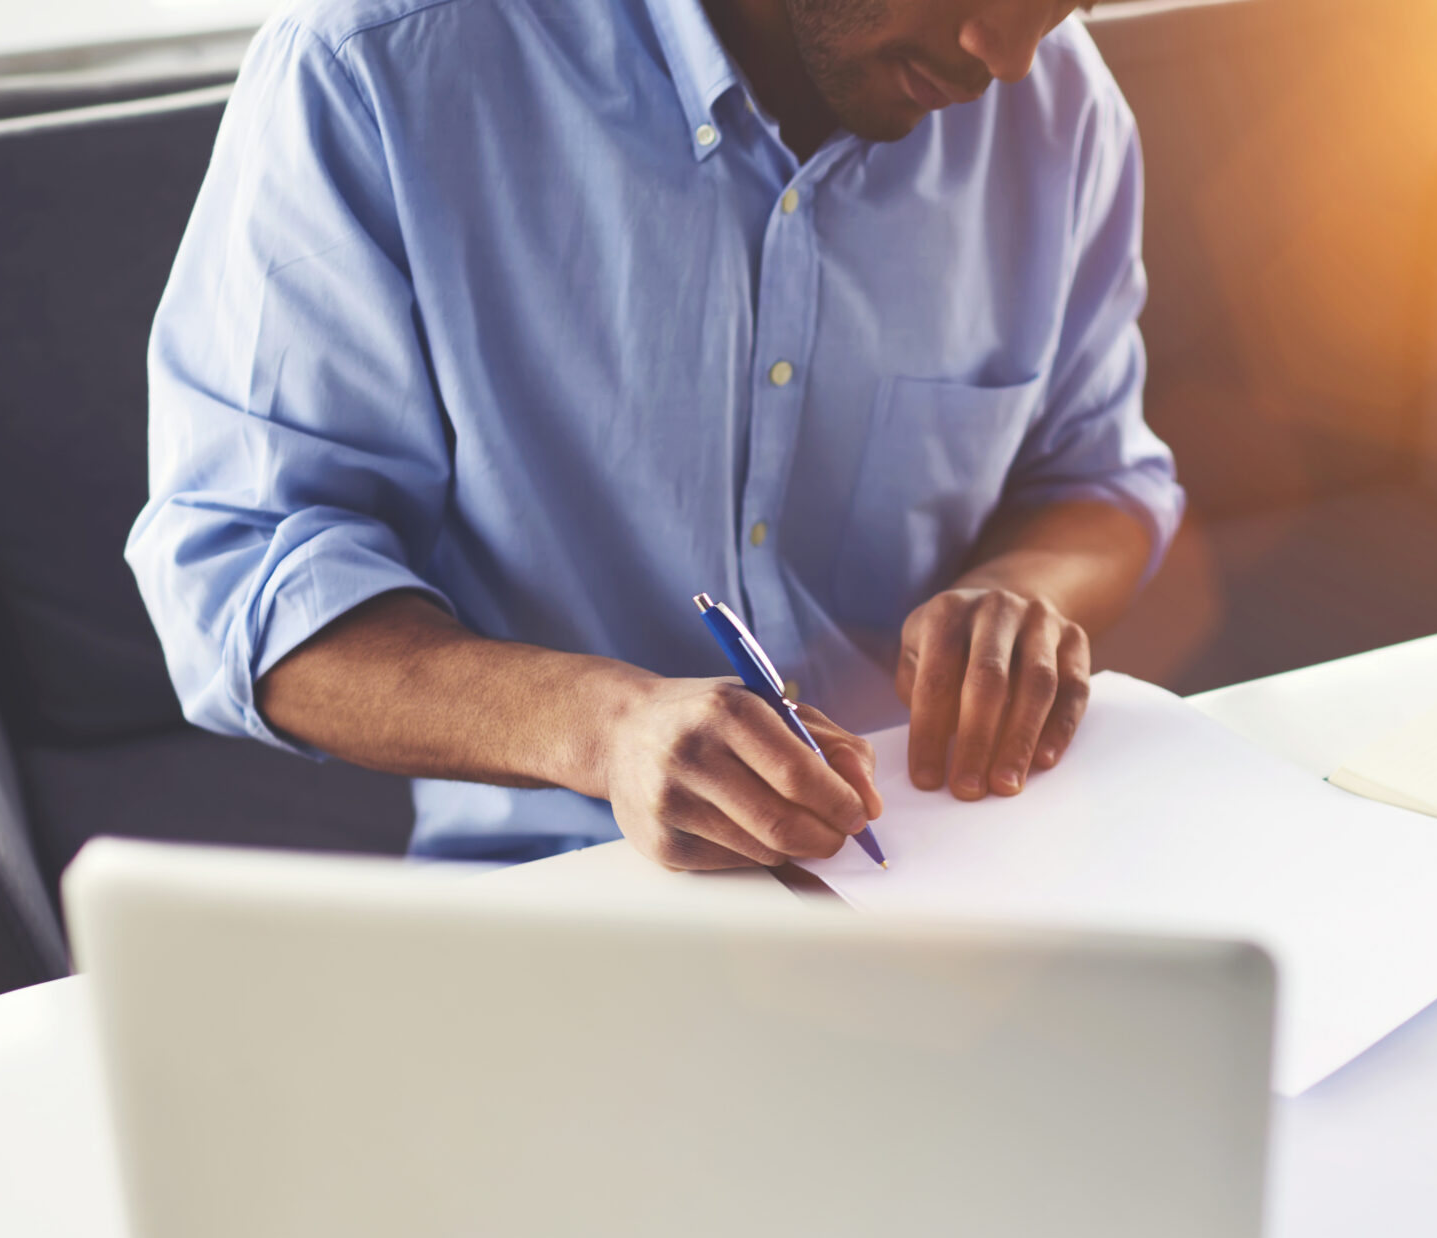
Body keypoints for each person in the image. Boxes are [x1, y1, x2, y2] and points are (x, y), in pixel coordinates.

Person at [128, 0, 1182, 870]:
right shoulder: (375, 70)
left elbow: (1100, 475)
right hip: (566, 889)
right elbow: (242, 577)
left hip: (958, 864)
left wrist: (1027, 595)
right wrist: (605, 728)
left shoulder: (1060, 106)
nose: (1003, 58)